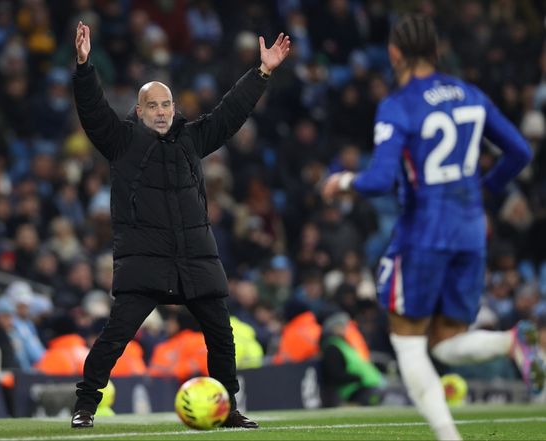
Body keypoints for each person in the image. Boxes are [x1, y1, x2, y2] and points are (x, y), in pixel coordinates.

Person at [322, 13, 539, 441]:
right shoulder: (470, 94)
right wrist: (484, 189)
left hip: (423, 233)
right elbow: (520, 151)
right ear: (436, 51)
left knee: (407, 341)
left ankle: (447, 436)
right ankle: (511, 341)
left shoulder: (398, 105)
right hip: (470, 231)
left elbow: (379, 180)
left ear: (394, 53)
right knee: (444, 342)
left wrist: (342, 181)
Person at [70, 21, 290, 429]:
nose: (161, 111)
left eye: (166, 104)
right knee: (115, 338)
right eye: (152, 105)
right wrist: (84, 67)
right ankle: (85, 405)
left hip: (195, 259)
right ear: (139, 111)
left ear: (174, 108)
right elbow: (93, 112)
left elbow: (230, 112)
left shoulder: (192, 138)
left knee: (222, 337)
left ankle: (228, 409)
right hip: (145, 262)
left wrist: (261, 73)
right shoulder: (121, 141)